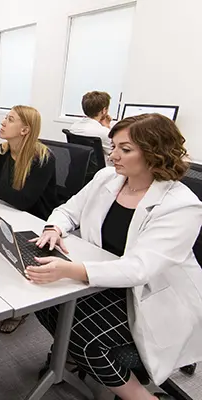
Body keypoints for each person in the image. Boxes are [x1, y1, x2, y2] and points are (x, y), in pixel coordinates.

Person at [29, 114, 202, 400]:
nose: (113, 156)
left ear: (154, 152)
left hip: (153, 294)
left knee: (87, 339)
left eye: (125, 149)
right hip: (107, 277)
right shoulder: (108, 178)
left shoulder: (181, 205)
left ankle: (142, 397)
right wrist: (53, 228)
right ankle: (68, 356)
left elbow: (140, 269)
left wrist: (71, 270)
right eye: (114, 146)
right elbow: (68, 210)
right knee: (43, 303)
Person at [0, 105, 59, 333]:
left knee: (10, 258)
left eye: (10, 119)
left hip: (33, 221)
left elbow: (23, 201)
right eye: (5, 118)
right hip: (3, 211)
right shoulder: (0, 151)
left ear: (25, 130)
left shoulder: (43, 158)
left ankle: (20, 309)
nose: (3, 123)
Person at [69, 91, 113, 166]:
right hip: (102, 173)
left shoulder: (73, 127)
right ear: (104, 110)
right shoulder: (103, 132)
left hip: (79, 170)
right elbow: (116, 154)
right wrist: (107, 128)